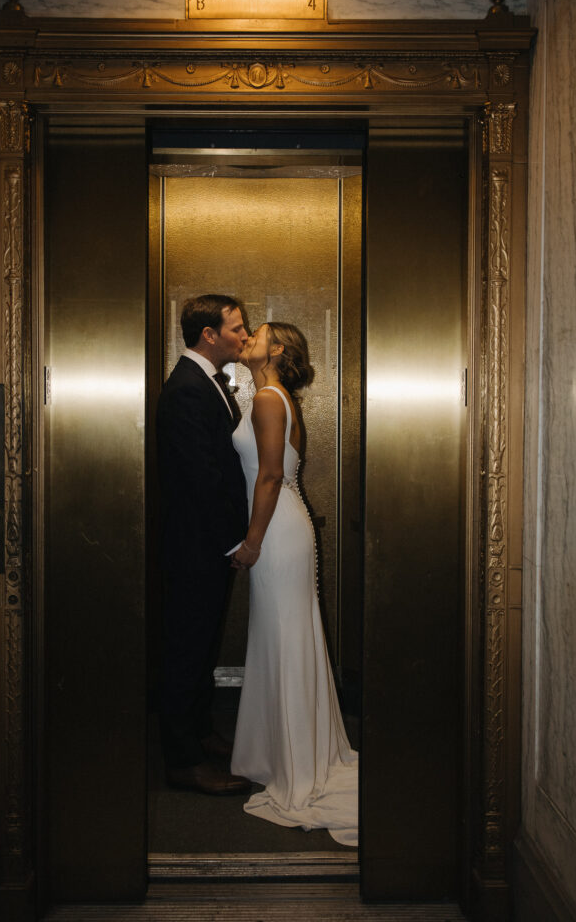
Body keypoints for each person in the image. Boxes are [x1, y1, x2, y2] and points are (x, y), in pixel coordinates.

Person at [230, 321, 359, 846]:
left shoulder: (267, 396)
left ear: (276, 350)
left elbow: (268, 476)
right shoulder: (275, 395)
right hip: (286, 524)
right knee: (284, 640)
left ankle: (295, 765)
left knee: (284, 641)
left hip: (277, 530)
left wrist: (252, 542)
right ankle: (286, 754)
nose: (247, 338)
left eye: (256, 333)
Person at [156, 294, 252, 795]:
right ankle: (182, 759)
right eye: (236, 327)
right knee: (186, 648)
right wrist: (232, 540)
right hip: (194, 545)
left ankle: (198, 730)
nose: (244, 334)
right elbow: (201, 478)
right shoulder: (187, 389)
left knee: (204, 643)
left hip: (205, 544)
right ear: (209, 335)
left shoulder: (207, 383)